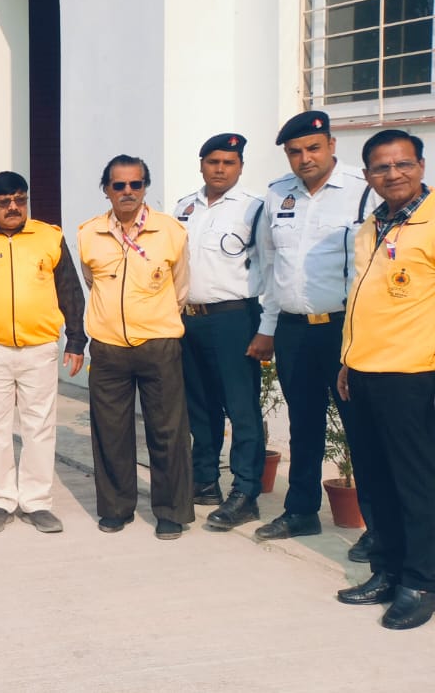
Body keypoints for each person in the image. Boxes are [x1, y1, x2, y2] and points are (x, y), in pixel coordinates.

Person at [252, 111, 378, 553]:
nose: (305, 158)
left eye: (313, 148)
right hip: (293, 329)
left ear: (331, 146)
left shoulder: (363, 191)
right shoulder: (277, 194)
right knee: (303, 424)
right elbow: (271, 266)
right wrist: (268, 328)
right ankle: (301, 511)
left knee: (360, 427)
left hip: (344, 329)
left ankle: (377, 527)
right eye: (295, 152)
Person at [334, 129, 435, 629]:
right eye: (381, 167)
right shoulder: (371, 226)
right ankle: (388, 570)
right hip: (363, 374)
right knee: (375, 482)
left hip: (413, 375)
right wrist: (347, 361)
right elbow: (362, 300)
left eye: (403, 164)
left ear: (421, 166)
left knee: (416, 484)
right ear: (367, 175)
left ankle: (421, 582)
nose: (393, 174)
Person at [0, 173, 87, 533]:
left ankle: (36, 502)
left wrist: (76, 340)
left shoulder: (49, 237)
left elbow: (70, 290)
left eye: (20, 199)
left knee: (39, 427)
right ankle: (1, 500)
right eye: (4, 202)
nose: (13, 207)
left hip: (39, 348)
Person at [78, 155, 194, 540]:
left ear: (145, 187)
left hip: (158, 345)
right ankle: (115, 508)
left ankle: (171, 511)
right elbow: (92, 282)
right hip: (109, 348)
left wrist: (155, 320)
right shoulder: (89, 233)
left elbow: (180, 288)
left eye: (136, 184)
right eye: (119, 185)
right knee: (110, 432)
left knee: (168, 431)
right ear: (106, 189)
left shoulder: (170, 231)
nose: (128, 192)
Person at [171, 134, 268, 531]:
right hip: (189, 319)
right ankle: (205, 480)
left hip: (234, 319)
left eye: (229, 162)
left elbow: (271, 266)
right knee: (200, 407)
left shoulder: (255, 209)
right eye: (213, 161)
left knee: (241, 409)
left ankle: (245, 492)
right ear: (201, 165)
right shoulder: (184, 207)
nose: (220, 169)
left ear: (240, 166)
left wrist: (267, 328)